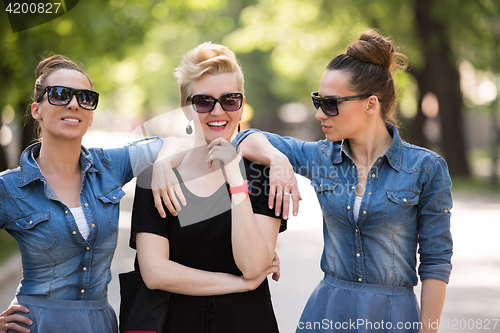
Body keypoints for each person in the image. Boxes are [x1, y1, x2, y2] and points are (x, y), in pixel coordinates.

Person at [233, 30, 453, 333]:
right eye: (318, 101)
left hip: (393, 316)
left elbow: (436, 260)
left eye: (331, 103)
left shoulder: (426, 168)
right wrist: (278, 160)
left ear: (370, 104)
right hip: (327, 311)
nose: (320, 113)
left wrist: (428, 330)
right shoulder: (321, 156)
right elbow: (245, 137)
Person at [0, 54, 176, 333]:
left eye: (85, 98)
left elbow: (176, 143)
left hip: (98, 323)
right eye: (59, 95)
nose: (73, 103)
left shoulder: (110, 167)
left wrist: (165, 158)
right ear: (36, 110)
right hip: (36, 325)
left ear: (91, 115)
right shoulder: (8, 187)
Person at [129, 42, 286, 333]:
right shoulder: (157, 179)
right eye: (203, 101)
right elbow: (155, 273)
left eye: (230, 100)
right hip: (178, 324)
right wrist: (240, 284)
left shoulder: (264, 177)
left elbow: (253, 265)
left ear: (241, 105)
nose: (218, 111)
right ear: (186, 109)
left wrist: (235, 178)